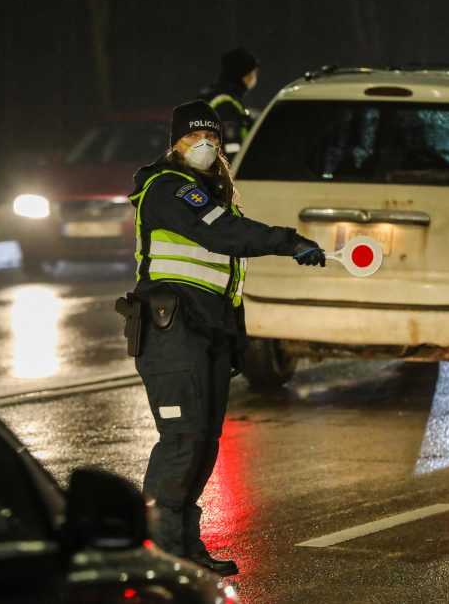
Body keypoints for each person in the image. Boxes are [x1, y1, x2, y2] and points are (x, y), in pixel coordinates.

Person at [125, 100, 324, 576]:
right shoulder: (168, 188)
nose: (205, 145)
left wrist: (236, 340)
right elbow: (222, 236)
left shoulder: (209, 192)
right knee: (182, 441)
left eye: (211, 138)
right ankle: (158, 552)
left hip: (204, 331)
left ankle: (185, 551)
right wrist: (287, 241)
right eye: (194, 137)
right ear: (176, 142)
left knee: (204, 443)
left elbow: (226, 279)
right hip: (171, 332)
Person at [198, 46, 259, 159]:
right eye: (253, 72)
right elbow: (231, 150)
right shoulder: (226, 105)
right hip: (223, 174)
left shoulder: (218, 96)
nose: (254, 76)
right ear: (244, 74)